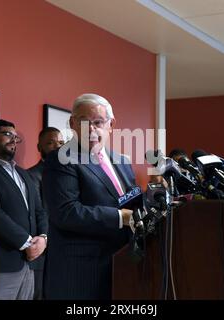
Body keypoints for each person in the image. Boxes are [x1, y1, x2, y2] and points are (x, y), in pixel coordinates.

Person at [42, 93, 135, 299]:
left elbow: (130, 200)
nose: (91, 129)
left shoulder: (121, 161)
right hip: (80, 273)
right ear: (72, 123)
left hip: (121, 266)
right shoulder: (60, 160)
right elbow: (67, 213)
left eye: (98, 122)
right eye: (84, 122)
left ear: (111, 124)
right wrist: (122, 217)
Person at [0, 119, 48, 300]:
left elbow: (39, 211)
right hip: (1, 264)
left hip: (29, 264)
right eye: (7, 135)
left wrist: (43, 238)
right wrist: (27, 243)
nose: (13, 140)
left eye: (16, 137)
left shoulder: (23, 173)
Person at [27, 127, 63, 300]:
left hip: (66, 250)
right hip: (42, 253)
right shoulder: (32, 176)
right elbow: (37, 213)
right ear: (39, 147)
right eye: (50, 143)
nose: (57, 147)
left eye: (61, 143)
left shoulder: (69, 175)